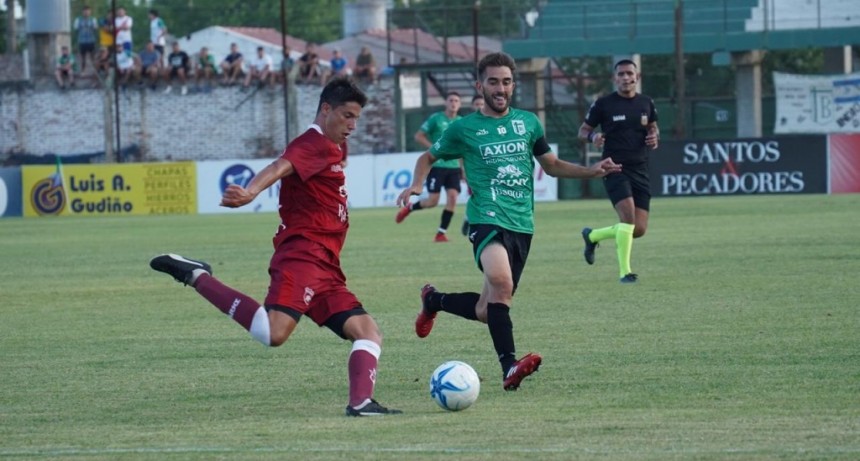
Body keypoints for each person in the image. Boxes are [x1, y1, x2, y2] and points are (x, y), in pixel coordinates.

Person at [150, 77, 401, 417]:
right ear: (325, 109)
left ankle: (361, 402)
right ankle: (196, 276)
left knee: (367, 331)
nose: (353, 126)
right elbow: (280, 166)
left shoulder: (332, 146)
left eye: (356, 118)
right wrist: (251, 193)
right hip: (304, 255)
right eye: (347, 116)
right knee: (272, 332)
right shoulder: (312, 142)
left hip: (326, 266)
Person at [395, 52, 620, 391]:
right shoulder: (463, 128)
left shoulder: (529, 123)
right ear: (479, 85)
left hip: (522, 224)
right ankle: (509, 367)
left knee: (489, 308)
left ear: (513, 84)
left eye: (506, 81)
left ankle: (434, 301)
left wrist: (592, 170)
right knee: (501, 283)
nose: (500, 88)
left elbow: (552, 164)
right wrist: (416, 184)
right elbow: (428, 156)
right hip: (486, 218)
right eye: (493, 82)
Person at [577, 59, 659, 284]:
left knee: (639, 229)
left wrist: (654, 136)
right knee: (628, 217)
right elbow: (583, 131)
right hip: (613, 167)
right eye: (620, 74)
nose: (625, 78)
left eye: (629, 74)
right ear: (615, 79)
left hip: (640, 168)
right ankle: (625, 272)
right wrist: (593, 136)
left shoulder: (646, 102)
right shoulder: (604, 104)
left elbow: (652, 126)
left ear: (637, 77)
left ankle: (593, 236)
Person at [396, 91, 464, 242]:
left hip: (453, 167)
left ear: (459, 104)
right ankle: (410, 208)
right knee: (433, 200)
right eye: (451, 100)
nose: (453, 103)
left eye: (456, 101)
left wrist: (462, 169)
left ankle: (441, 233)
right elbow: (419, 135)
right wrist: (434, 149)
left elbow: (462, 148)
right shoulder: (436, 118)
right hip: (438, 165)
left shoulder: (461, 122)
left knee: (453, 198)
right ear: (446, 102)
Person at [460, 94, 486, 236]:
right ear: (472, 107)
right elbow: (461, 150)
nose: (480, 107)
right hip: (473, 168)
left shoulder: (492, 123)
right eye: (477, 104)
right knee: (477, 195)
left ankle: (469, 219)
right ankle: (475, 225)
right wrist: (462, 168)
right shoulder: (466, 126)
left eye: (482, 104)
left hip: (490, 168)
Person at [72, 6, 98, 74]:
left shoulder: (93, 19)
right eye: (85, 11)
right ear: (82, 12)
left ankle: (95, 71)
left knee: (93, 57)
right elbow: (76, 31)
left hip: (91, 41)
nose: (86, 13)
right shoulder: (78, 20)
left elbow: (96, 30)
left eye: (88, 11)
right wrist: (75, 43)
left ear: (90, 12)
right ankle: (83, 71)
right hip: (82, 41)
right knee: (82, 58)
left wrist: (97, 42)